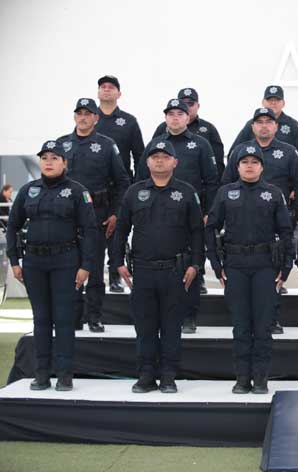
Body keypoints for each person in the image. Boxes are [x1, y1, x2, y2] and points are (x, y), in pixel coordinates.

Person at [113, 140, 204, 394]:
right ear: (147, 162)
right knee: (145, 327)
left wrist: (196, 264)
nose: (160, 160)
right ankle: (145, 375)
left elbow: (197, 231)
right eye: (155, 157)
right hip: (142, 271)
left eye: (165, 156)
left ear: (175, 162)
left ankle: (168, 376)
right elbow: (121, 229)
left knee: (172, 327)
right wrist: (117, 262)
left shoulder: (186, 192)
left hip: (176, 271)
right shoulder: (134, 192)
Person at [7, 140, 97, 391]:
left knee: (64, 319)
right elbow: (13, 226)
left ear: (64, 163)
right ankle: (42, 375)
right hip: (34, 263)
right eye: (44, 158)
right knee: (41, 319)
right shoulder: (28, 191)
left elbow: (90, 230)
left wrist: (86, 265)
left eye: (54, 158)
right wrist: (14, 261)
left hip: (65, 261)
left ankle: (65, 375)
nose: (48, 162)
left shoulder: (78, 191)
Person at [206, 146, 293, 395]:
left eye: (255, 162)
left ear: (262, 167)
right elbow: (211, 228)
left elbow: (286, 231)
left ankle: (261, 378)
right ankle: (242, 378)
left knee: (263, 325)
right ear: (237, 166)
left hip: (265, 265)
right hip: (235, 265)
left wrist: (286, 266)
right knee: (241, 325)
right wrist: (216, 265)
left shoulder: (273, 193)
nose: (249, 166)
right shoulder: (225, 193)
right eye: (244, 162)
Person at [222, 107, 298, 334]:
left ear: (276, 126)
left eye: (268, 122)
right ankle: (243, 322)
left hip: (275, 222)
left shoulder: (288, 152)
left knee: (273, 273)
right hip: (242, 222)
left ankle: (271, 319)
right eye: (259, 122)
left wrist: (295, 216)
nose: (264, 126)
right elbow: (226, 184)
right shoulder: (240, 151)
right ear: (252, 127)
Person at [138, 98, 219, 334]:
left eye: (180, 114)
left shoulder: (201, 144)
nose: (175, 118)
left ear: (188, 117)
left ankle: (189, 315)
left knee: (190, 264)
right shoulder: (155, 144)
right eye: (171, 114)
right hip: (156, 215)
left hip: (190, 213)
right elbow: (140, 179)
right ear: (165, 117)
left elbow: (211, 181)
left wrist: (208, 212)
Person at [57, 98, 130, 333]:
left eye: (87, 113)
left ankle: (95, 316)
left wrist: (115, 213)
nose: (83, 117)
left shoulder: (107, 145)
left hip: (97, 215)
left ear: (96, 118)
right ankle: (74, 316)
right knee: (69, 267)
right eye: (79, 113)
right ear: (74, 116)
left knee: (95, 269)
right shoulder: (61, 145)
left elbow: (122, 182)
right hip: (67, 217)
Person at [95, 74, 145, 293]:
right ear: (98, 92)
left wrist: (138, 185)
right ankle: (93, 277)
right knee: (92, 234)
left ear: (119, 93)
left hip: (121, 187)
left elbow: (140, 155)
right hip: (93, 187)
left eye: (111, 87)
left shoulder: (128, 121)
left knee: (118, 231)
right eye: (103, 86)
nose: (107, 89)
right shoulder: (90, 118)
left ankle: (115, 275)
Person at [229, 85, 298, 169]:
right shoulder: (251, 124)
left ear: (283, 103)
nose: (273, 103)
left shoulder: (293, 125)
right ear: (263, 102)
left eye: (277, 100)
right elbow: (234, 152)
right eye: (269, 100)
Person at [153, 87, 225, 178]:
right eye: (183, 103)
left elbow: (217, 162)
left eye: (190, 103)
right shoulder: (163, 128)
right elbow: (151, 156)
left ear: (198, 106)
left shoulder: (208, 129)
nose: (187, 107)